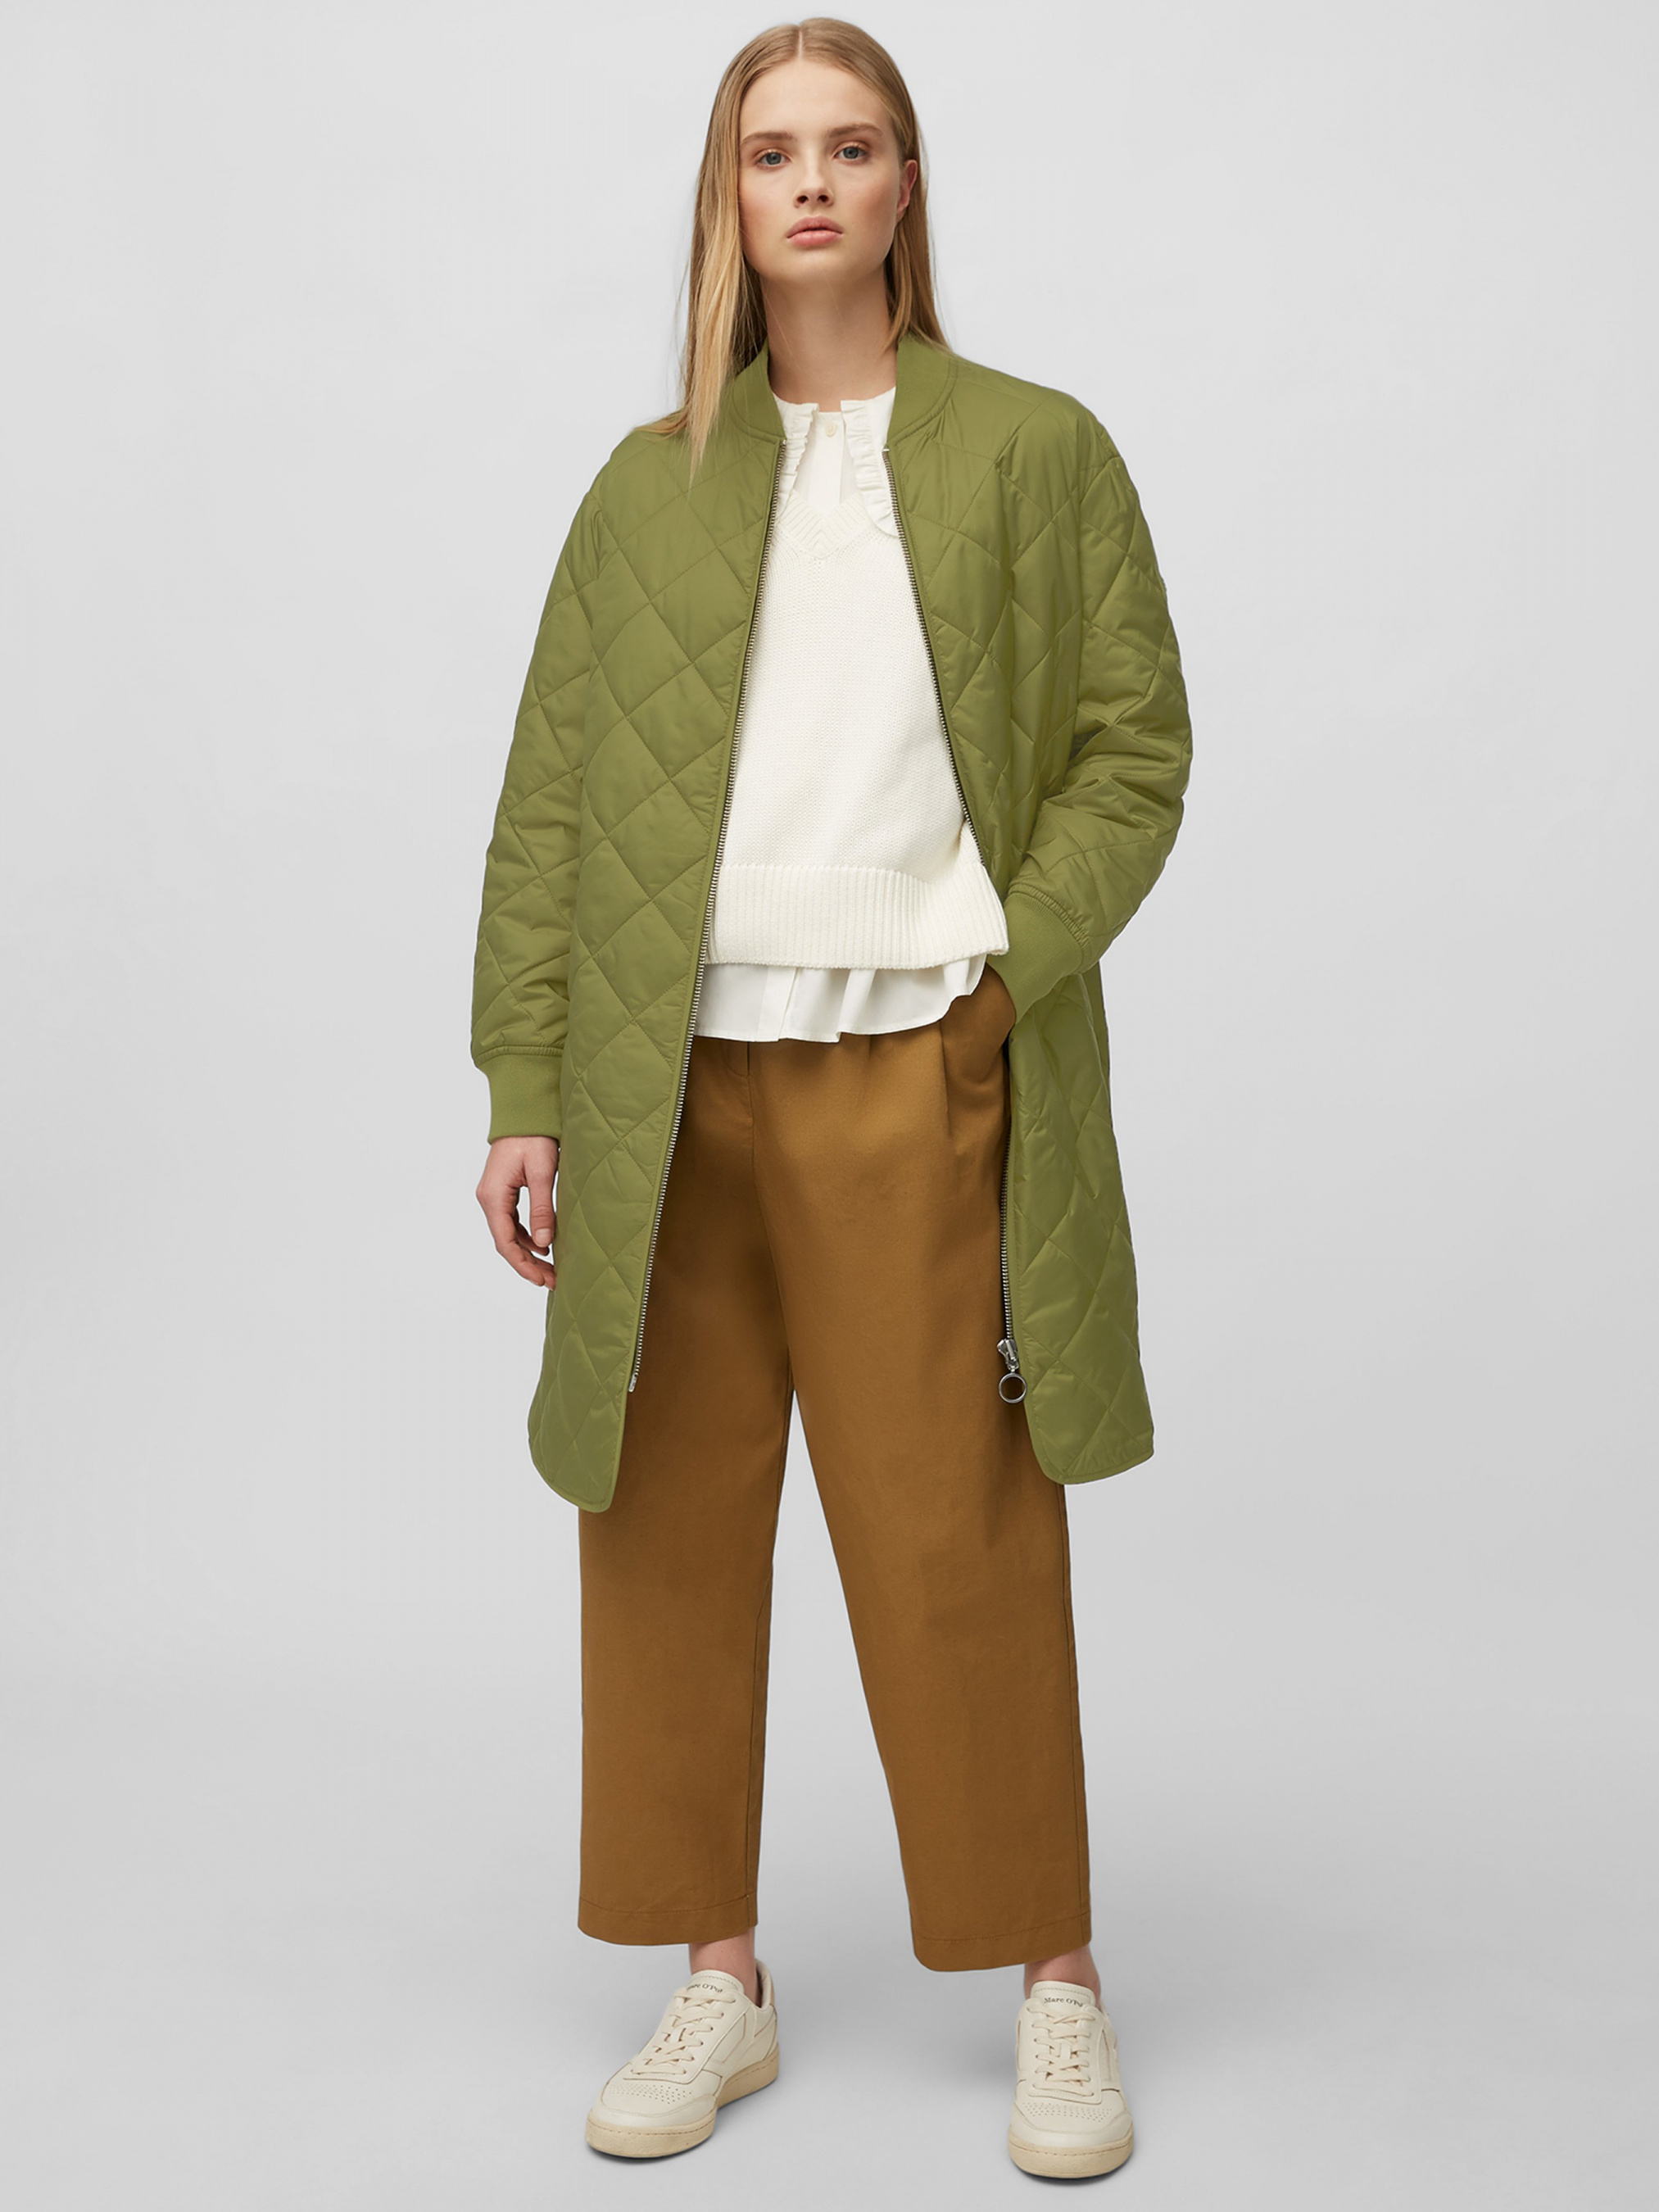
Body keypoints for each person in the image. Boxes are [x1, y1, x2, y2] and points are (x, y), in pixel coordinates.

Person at [470, 16, 1190, 2180]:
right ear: (729, 193)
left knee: (957, 1526)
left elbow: (1134, 747)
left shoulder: (1034, 450)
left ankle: (1054, 1980)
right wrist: (529, 1082)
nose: (808, 184)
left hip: (918, 1066)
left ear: (902, 187)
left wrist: (1002, 968)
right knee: (662, 1529)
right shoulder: (647, 484)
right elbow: (550, 807)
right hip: (671, 1084)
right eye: (770, 151)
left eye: (849, 147)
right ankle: (722, 1973)